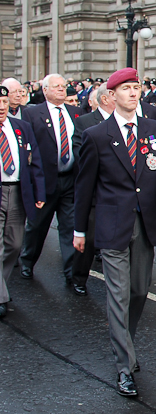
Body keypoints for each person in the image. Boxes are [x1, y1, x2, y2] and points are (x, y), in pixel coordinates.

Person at [73, 67, 156, 397]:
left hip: (146, 223)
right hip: (112, 226)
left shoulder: (152, 130)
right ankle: (124, 366)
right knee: (119, 294)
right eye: (126, 88)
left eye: (136, 87)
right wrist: (79, 229)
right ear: (111, 96)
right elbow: (84, 187)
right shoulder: (97, 135)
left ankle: (126, 342)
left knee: (139, 291)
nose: (133, 92)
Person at [20, 74, 83, 283]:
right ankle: (27, 262)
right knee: (37, 226)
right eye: (56, 87)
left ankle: (70, 273)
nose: (61, 89)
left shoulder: (76, 113)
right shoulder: (32, 114)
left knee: (69, 227)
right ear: (45, 90)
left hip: (70, 179)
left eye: (63, 86)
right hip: (44, 180)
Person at [0, 86, 45, 319]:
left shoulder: (21, 127)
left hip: (18, 191)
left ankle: (2, 286)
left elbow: (34, 161)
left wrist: (40, 193)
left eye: (4, 103)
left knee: (14, 245)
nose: (1, 108)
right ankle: (1, 296)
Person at [69, 84, 115, 296]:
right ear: (105, 99)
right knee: (87, 239)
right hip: (97, 191)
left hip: (121, 193)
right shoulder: (85, 122)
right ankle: (79, 276)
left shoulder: (126, 122)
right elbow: (80, 155)